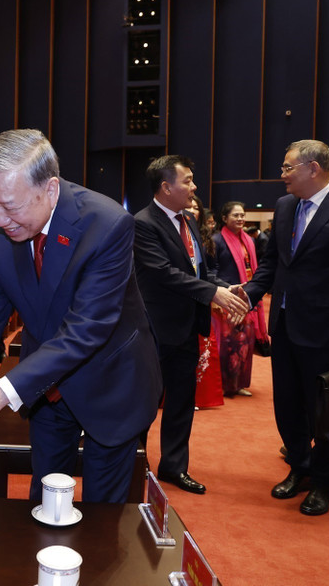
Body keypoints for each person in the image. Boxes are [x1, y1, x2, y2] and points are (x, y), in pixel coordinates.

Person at [0, 129, 162, 503]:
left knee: (105, 512)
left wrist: (1, 393)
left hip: (110, 383)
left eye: (10, 206)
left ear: (50, 190)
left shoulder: (107, 224)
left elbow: (86, 330)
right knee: (46, 497)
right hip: (45, 388)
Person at [241, 139, 329, 516]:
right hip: (283, 326)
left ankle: (323, 482)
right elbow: (273, 265)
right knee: (287, 405)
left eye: (287, 168)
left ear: (313, 168)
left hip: (328, 330)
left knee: (323, 412)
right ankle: (298, 468)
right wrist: (248, 295)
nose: (281, 175)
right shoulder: (285, 207)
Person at [133, 157, 248, 495]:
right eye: (189, 180)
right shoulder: (143, 223)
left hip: (187, 326)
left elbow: (196, 269)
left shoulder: (187, 221)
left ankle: (174, 467)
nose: (194, 187)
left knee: (182, 402)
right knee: (144, 402)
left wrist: (221, 287)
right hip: (154, 328)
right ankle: (134, 463)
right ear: (166, 187)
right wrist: (212, 293)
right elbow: (163, 273)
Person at [212, 200, 267, 397]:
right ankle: (225, 386)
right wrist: (226, 289)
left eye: (243, 215)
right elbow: (212, 271)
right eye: (235, 215)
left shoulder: (249, 240)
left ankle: (239, 384)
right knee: (228, 345)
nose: (240, 218)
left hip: (248, 297)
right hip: (228, 298)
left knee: (245, 344)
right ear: (224, 218)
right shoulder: (216, 240)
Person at [186, 196, 225, 411]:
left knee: (202, 350)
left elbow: (207, 271)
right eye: (188, 206)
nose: (193, 210)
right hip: (180, 299)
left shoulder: (203, 236)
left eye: (196, 208)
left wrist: (223, 288)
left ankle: (198, 395)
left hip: (203, 297)